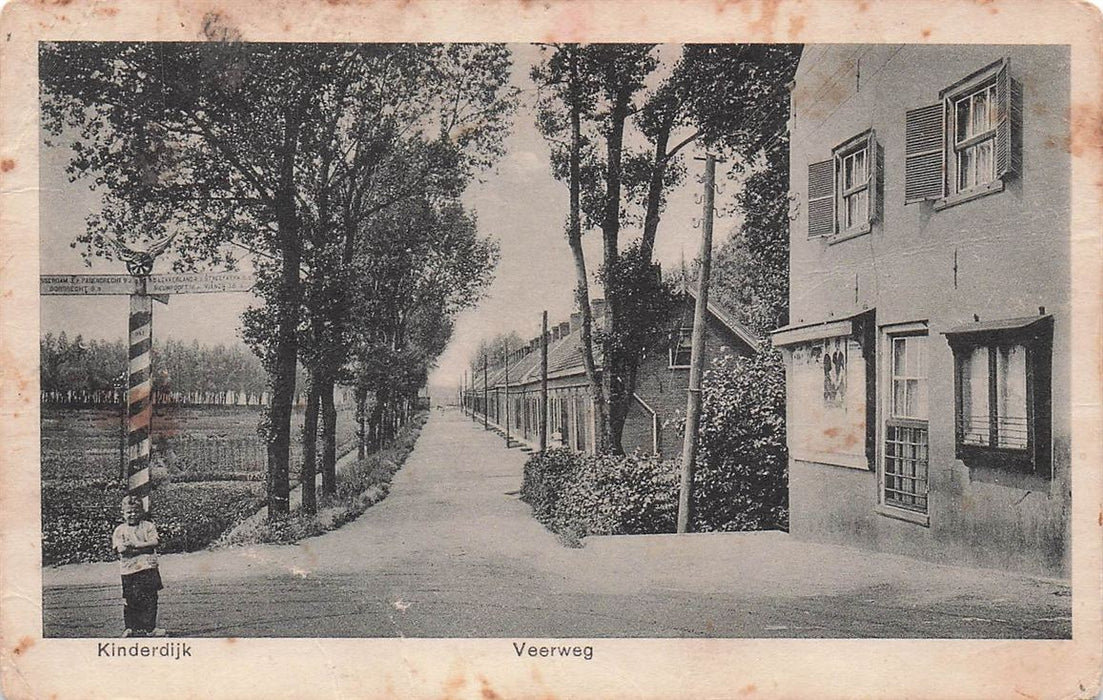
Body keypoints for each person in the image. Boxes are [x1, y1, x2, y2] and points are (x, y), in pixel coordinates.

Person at [112, 496, 165, 638]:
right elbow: (121, 549)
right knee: (130, 599)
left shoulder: (148, 526)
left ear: (141, 511)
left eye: (136, 511)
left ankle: (150, 628)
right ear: (123, 512)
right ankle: (130, 627)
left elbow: (154, 542)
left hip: (148, 567)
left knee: (150, 598)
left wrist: (135, 546)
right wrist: (144, 548)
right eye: (129, 512)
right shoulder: (120, 530)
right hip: (129, 570)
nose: (133, 515)